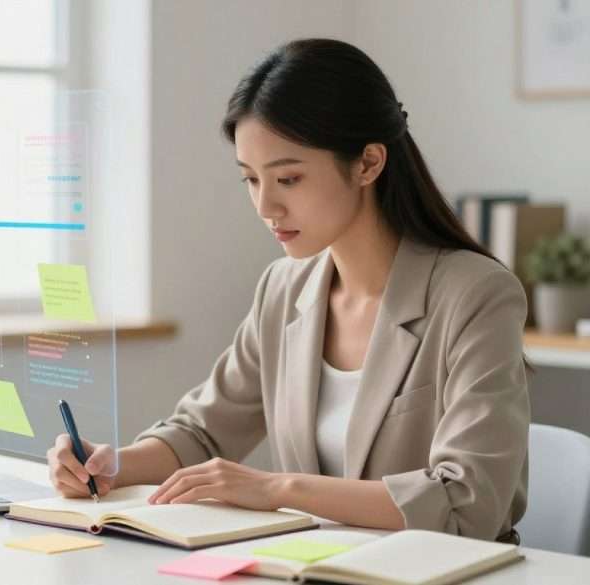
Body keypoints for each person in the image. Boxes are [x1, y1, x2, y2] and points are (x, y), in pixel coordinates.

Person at [46, 38, 530, 544]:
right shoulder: (283, 289)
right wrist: (109, 465)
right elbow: (203, 432)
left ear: (368, 163)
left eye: (289, 179)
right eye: (251, 180)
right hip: (315, 565)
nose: (265, 206)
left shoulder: (476, 295)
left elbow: (467, 502)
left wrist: (278, 487)